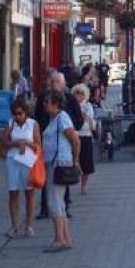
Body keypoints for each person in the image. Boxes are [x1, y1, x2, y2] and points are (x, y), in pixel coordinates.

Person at [34, 71, 84, 219]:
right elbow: (37, 119)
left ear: (63, 85)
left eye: (57, 82)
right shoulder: (43, 99)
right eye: (52, 82)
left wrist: (66, 130)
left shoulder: (69, 100)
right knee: (46, 177)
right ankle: (45, 208)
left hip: (63, 145)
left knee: (63, 175)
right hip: (46, 142)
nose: (54, 85)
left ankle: (65, 206)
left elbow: (79, 122)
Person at [40, 91, 80, 252]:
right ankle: (66, 238)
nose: (44, 105)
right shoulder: (54, 119)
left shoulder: (62, 118)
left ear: (56, 104)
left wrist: (75, 160)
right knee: (59, 202)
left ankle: (59, 239)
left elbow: (75, 139)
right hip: (54, 162)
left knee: (54, 201)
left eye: (47, 102)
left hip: (59, 163)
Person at [0, 98, 40, 238]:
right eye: (15, 114)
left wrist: (28, 143)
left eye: (20, 113)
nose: (17, 116)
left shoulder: (33, 124)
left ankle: (28, 225)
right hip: (12, 161)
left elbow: (38, 146)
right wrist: (16, 142)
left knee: (29, 194)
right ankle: (14, 225)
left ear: (26, 113)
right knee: (13, 193)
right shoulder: (10, 124)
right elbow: (4, 142)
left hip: (28, 162)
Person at [71, 84, 98, 195]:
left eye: (81, 93)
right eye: (76, 92)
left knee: (86, 163)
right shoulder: (71, 105)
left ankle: (83, 186)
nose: (78, 95)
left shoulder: (87, 106)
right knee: (74, 160)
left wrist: (80, 113)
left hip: (86, 135)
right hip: (74, 135)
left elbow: (88, 118)